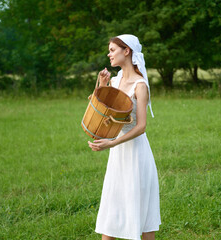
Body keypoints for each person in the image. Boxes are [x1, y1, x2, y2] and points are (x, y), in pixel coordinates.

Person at [88, 34, 161, 240]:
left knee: (144, 219)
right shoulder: (116, 80)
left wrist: (112, 143)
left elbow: (141, 127)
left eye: (112, 50)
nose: (109, 54)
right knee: (111, 212)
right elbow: (99, 110)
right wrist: (101, 86)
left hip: (136, 154)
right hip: (118, 154)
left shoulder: (140, 86)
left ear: (126, 51)